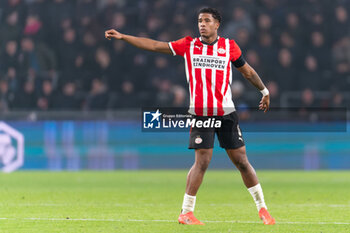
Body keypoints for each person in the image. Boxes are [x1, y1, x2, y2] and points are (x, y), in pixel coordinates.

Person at [105, 7, 275, 225]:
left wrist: (264, 91)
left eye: (206, 20)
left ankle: (263, 210)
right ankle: (186, 212)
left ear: (217, 24)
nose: (201, 24)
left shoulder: (228, 46)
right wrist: (123, 37)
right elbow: (156, 45)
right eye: (199, 21)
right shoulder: (189, 45)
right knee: (202, 161)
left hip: (226, 113)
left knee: (242, 161)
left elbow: (248, 71)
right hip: (201, 113)